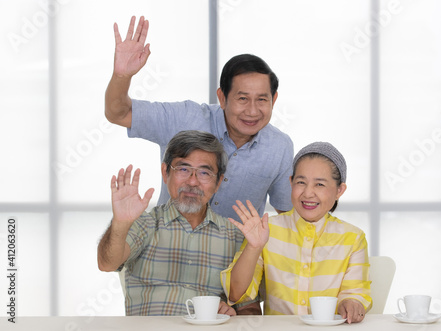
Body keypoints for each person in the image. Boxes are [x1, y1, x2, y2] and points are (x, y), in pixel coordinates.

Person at [104, 16, 293, 221]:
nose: (252, 111)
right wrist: (122, 76)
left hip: (238, 253)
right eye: (242, 98)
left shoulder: (279, 146)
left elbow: (287, 215)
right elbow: (119, 113)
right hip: (170, 246)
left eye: (262, 100)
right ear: (222, 97)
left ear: (273, 100)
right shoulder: (185, 118)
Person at [97, 130, 258, 316]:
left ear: (218, 181)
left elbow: (250, 308)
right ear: (165, 173)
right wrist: (120, 223)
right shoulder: (145, 223)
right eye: (183, 169)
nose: (192, 181)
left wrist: (233, 316)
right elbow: (106, 263)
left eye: (204, 172)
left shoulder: (236, 236)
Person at [221, 142, 372, 324]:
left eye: (320, 184)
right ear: (291, 182)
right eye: (301, 182)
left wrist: (351, 303)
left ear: (339, 190)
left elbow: (355, 292)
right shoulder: (267, 230)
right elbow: (235, 293)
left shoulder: (353, 237)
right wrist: (254, 247)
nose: (308, 193)